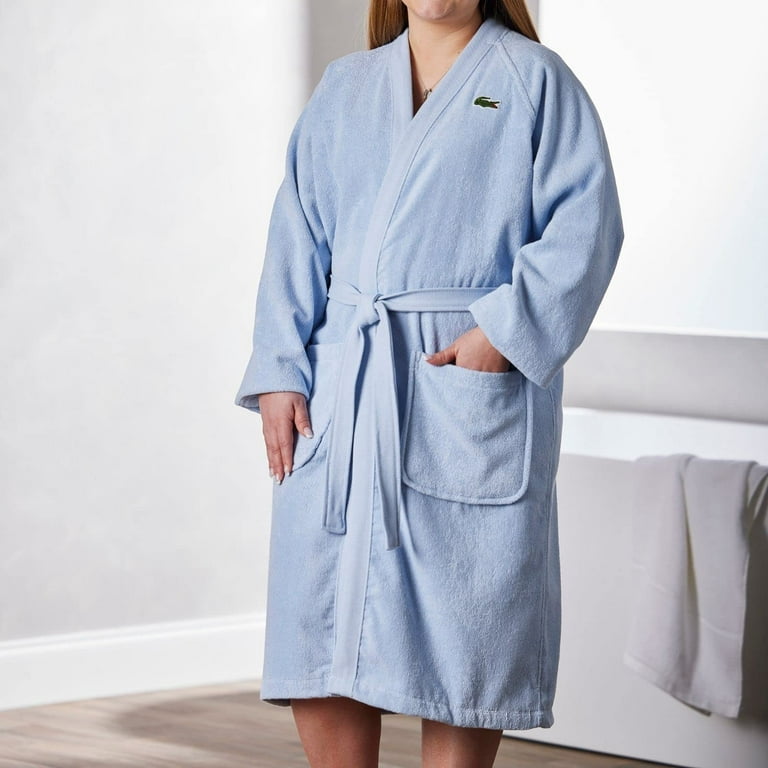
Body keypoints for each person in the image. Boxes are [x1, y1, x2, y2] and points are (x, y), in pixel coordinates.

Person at [234, 0, 624, 765]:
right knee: (323, 624)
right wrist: (279, 365)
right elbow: (296, 233)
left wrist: (503, 333)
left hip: (459, 377)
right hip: (343, 385)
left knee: (465, 633)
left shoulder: (535, 80)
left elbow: (589, 225)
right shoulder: (345, 87)